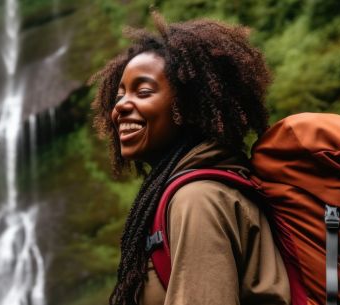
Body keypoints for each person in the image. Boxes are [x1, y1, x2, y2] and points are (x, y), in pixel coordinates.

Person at [90, 14, 291, 305]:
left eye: (143, 91)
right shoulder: (195, 192)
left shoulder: (198, 200)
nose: (120, 107)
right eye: (119, 95)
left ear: (189, 105)